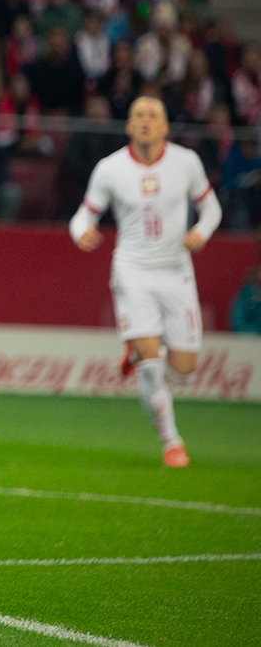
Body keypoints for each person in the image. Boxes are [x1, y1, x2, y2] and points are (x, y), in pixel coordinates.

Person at [68, 96, 222, 466]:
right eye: (138, 115)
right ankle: (172, 442)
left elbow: (212, 208)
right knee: (152, 367)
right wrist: (81, 234)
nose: (145, 121)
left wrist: (201, 231)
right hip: (132, 272)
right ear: (128, 126)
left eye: (153, 115)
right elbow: (81, 217)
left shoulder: (186, 163)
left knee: (184, 370)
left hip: (176, 273)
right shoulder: (110, 168)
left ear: (165, 126)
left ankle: (136, 352)